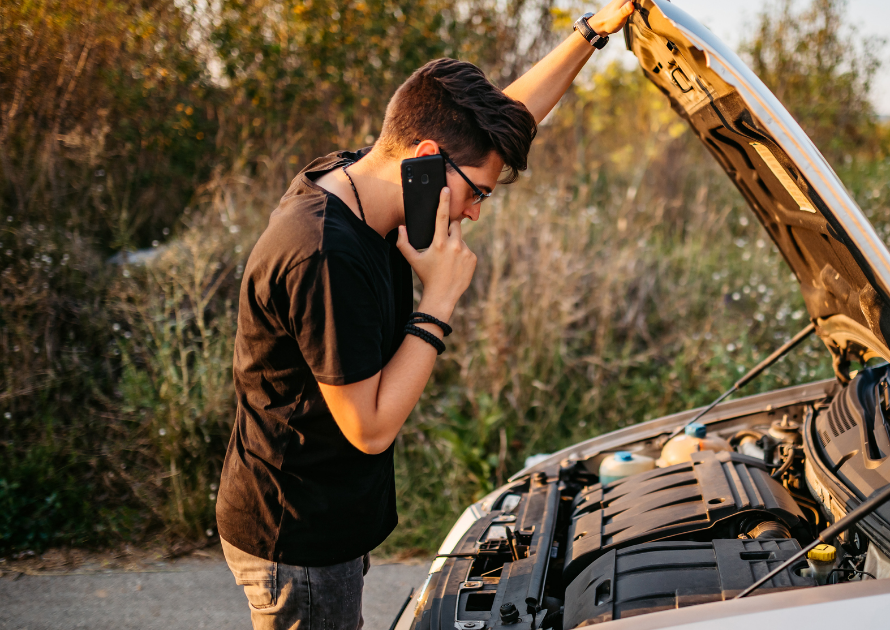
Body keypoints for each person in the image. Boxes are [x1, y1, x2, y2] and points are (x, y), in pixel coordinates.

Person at [214, 2, 635, 628]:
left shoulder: (367, 178)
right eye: (477, 193)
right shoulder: (324, 254)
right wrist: (439, 300)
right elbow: (370, 427)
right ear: (428, 157)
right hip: (298, 537)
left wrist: (590, 34)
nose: (474, 213)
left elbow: (503, 122)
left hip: (329, 514)